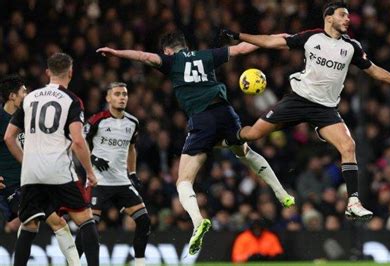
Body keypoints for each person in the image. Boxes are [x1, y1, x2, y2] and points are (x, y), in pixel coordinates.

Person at [221, 1, 390, 220]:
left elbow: (375, 71)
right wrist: (239, 35)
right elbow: (272, 41)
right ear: (329, 18)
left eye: (348, 16)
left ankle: (353, 202)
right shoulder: (312, 38)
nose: (347, 19)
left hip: (325, 109)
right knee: (253, 134)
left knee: (348, 145)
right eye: (342, 15)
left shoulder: (351, 47)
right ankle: (227, 139)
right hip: (298, 99)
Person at [96, 31, 295, 255]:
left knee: (184, 181)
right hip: (225, 112)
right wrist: (277, 38)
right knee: (245, 151)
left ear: (168, 51)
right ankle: (281, 193)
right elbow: (242, 48)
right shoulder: (207, 55)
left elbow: (143, 56)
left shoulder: (171, 61)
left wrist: (116, 53)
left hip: (202, 119)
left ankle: (198, 221)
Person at [4, 53, 100, 266]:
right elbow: (77, 140)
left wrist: (26, 161)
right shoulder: (72, 100)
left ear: (48, 72)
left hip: (31, 174)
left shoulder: (29, 99)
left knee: (29, 226)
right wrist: (90, 172)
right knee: (85, 220)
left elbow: (9, 137)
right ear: (71, 72)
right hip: (58, 171)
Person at [0, 75, 81, 265]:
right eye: (23, 92)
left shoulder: (28, 116)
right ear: (12, 96)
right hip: (11, 184)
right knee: (43, 222)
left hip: (33, 180)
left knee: (42, 224)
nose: (27, 95)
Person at [75, 82, 150, 266]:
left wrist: (132, 173)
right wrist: (93, 159)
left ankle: (140, 262)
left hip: (122, 182)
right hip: (97, 182)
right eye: (117, 94)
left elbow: (132, 149)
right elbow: (77, 144)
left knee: (144, 221)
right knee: (89, 227)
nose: (122, 97)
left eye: (125, 94)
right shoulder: (97, 120)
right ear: (108, 98)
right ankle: (73, 262)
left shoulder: (133, 122)